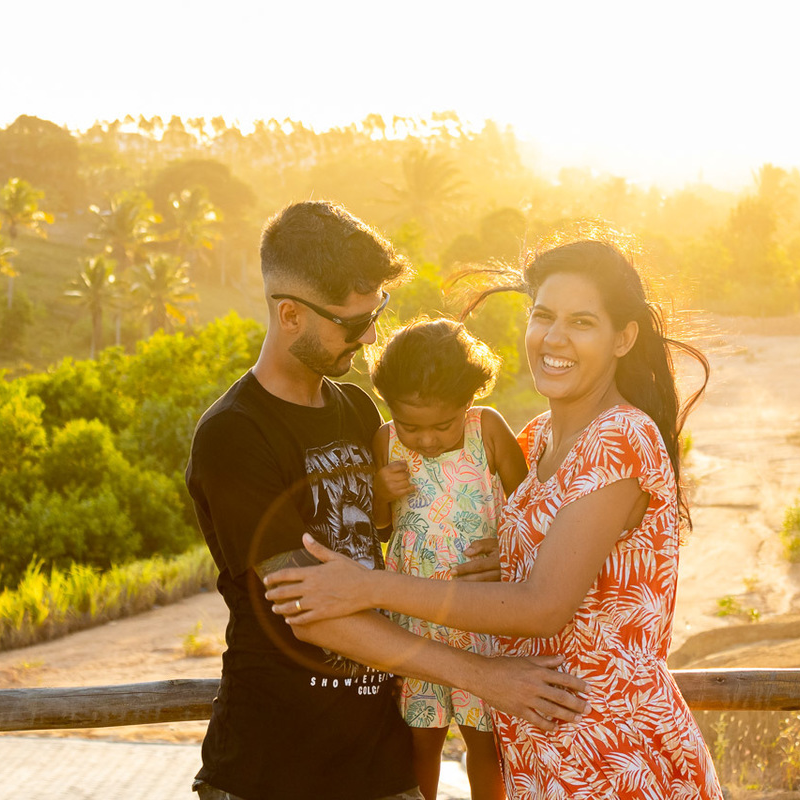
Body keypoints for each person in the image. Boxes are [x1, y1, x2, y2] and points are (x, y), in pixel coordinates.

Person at [265, 233, 723, 799]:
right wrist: (503, 559)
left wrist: (367, 586)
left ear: (623, 338)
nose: (554, 337)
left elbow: (542, 607)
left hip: (609, 752)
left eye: (582, 322)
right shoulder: (537, 440)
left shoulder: (621, 438)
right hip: (537, 750)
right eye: (543, 315)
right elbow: (551, 569)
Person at [185, 201, 588, 800]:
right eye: (352, 323)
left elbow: (409, 534)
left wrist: (501, 557)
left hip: (382, 765)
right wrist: (485, 677)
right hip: (273, 773)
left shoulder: (359, 413)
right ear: (290, 314)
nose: (371, 334)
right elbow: (313, 609)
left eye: (377, 314)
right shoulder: (235, 435)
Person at [369, 318, 527, 800]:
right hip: (416, 625)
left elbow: (530, 514)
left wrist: (506, 551)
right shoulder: (386, 440)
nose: (428, 440)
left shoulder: (488, 431)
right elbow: (381, 528)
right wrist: (378, 490)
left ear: (469, 401)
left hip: (483, 619)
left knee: (486, 740)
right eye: (412, 425)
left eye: (442, 424)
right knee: (422, 739)